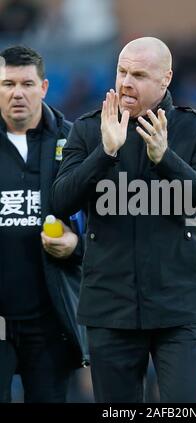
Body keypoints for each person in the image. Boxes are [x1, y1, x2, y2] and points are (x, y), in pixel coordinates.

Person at [52, 37, 196, 403]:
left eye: (140, 74)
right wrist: (105, 151)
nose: (126, 82)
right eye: (122, 71)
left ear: (166, 80)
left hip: (179, 307)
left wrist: (166, 159)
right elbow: (61, 201)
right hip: (110, 307)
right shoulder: (87, 129)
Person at [0, 45, 88, 403]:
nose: (17, 92)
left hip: (50, 319)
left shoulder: (74, 145)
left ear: (44, 87)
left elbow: (104, 225)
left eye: (26, 83)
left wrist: (76, 247)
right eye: (7, 84)